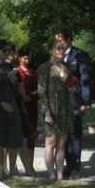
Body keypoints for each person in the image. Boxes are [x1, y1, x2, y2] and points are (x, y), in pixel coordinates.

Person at [56, 27, 92, 180]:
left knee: (75, 134)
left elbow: (85, 78)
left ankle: (75, 167)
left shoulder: (80, 55)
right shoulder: (56, 55)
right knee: (63, 135)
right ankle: (68, 165)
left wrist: (85, 100)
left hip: (74, 99)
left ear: (69, 40)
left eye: (61, 40)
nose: (58, 43)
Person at [38, 39, 74, 180]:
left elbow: (70, 85)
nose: (61, 51)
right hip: (51, 108)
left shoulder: (66, 67)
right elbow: (41, 91)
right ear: (51, 51)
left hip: (64, 108)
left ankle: (60, 175)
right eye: (58, 49)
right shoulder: (44, 67)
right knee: (51, 142)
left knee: (61, 144)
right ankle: (51, 174)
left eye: (62, 49)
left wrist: (73, 88)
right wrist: (46, 112)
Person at [0, 40, 23, 178]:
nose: (7, 53)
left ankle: (13, 169)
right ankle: (2, 170)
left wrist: (14, 82)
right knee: (0, 140)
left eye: (9, 51)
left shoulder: (10, 67)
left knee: (14, 139)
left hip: (12, 105)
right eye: (4, 51)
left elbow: (16, 87)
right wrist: (1, 103)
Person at [17, 45, 38, 177]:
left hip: (33, 105)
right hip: (20, 106)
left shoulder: (35, 71)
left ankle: (30, 166)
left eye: (29, 56)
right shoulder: (17, 71)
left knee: (31, 136)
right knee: (22, 137)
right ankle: (24, 166)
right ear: (19, 57)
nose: (28, 59)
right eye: (25, 56)